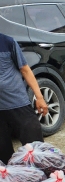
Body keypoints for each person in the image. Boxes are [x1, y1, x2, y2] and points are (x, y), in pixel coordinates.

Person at [0, 32, 48, 164]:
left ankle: (44, 179)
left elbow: (25, 70)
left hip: (18, 105)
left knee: (35, 150)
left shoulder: (7, 42)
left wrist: (39, 97)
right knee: (3, 157)